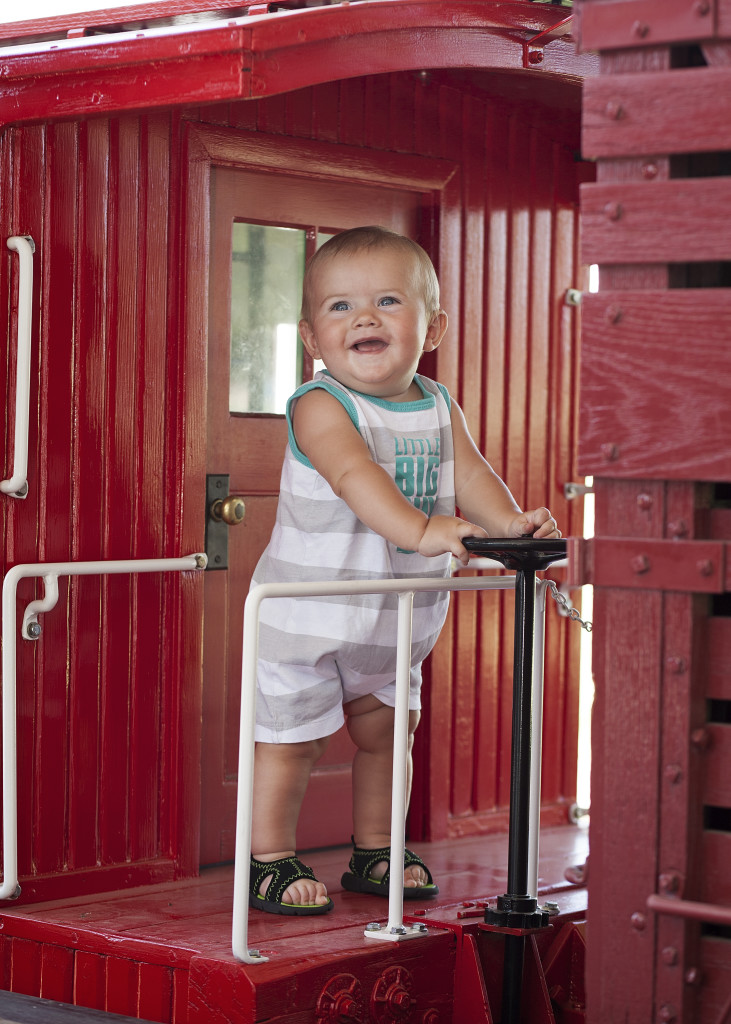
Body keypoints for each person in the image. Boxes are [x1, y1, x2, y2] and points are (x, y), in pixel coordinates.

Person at [249, 226, 560, 916]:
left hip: (396, 619)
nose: (364, 317)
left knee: (389, 734)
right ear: (311, 338)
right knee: (291, 742)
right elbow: (354, 474)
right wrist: (423, 531)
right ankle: (267, 859)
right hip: (308, 615)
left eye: (388, 301)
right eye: (340, 307)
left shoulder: (438, 404)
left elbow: (471, 477)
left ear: (432, 327)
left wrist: (508, 527)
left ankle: (376, 850)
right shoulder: (321, 404)